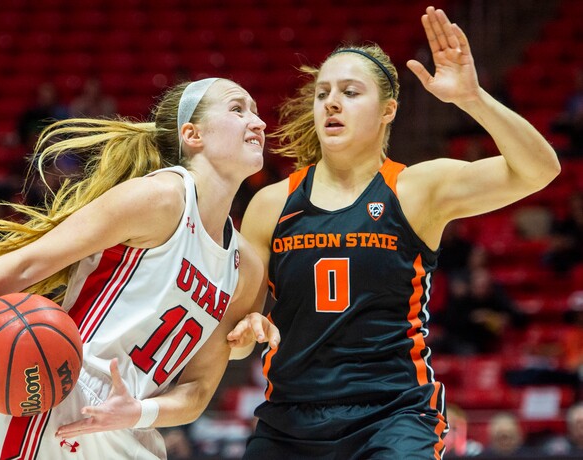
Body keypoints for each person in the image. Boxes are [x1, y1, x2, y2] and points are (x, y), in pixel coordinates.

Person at [228, 6, 560, 459]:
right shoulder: (270, 204)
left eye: (350, 92)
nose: (331, 102)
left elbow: (540, 170)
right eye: (323, 92)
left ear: (388, 110)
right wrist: (243, 331)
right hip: (290, 417)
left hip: (394, 415)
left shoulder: (418, 189)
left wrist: (472, 97)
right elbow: (236, 336)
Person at [0, 77, 272, 459]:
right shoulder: (160, 198)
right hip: (60, 398)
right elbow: (29, 262)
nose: (258, 122)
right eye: (238, 109)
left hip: (133, 426)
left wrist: (139, 412)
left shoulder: (245, 267)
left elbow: (197, 390)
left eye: (257, 112)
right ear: (192, 134)